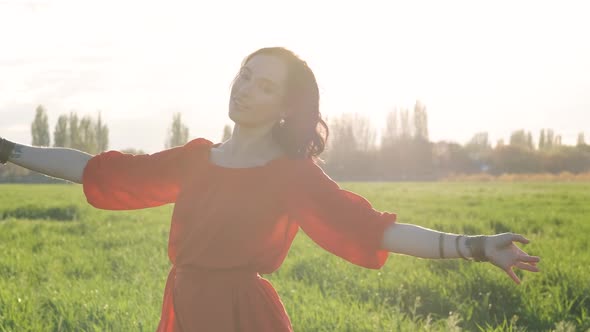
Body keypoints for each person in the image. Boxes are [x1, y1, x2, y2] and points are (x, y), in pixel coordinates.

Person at [0, 46, 541, 332]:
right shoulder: (195, 159)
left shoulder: (291, 175)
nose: (244, 88)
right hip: (184, 305)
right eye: (243, 73)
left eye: (264, 85)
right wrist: (11, 151)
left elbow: (374, 230)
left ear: (287, 107)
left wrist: (473, 246)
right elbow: (100, 170)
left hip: (241, 315)